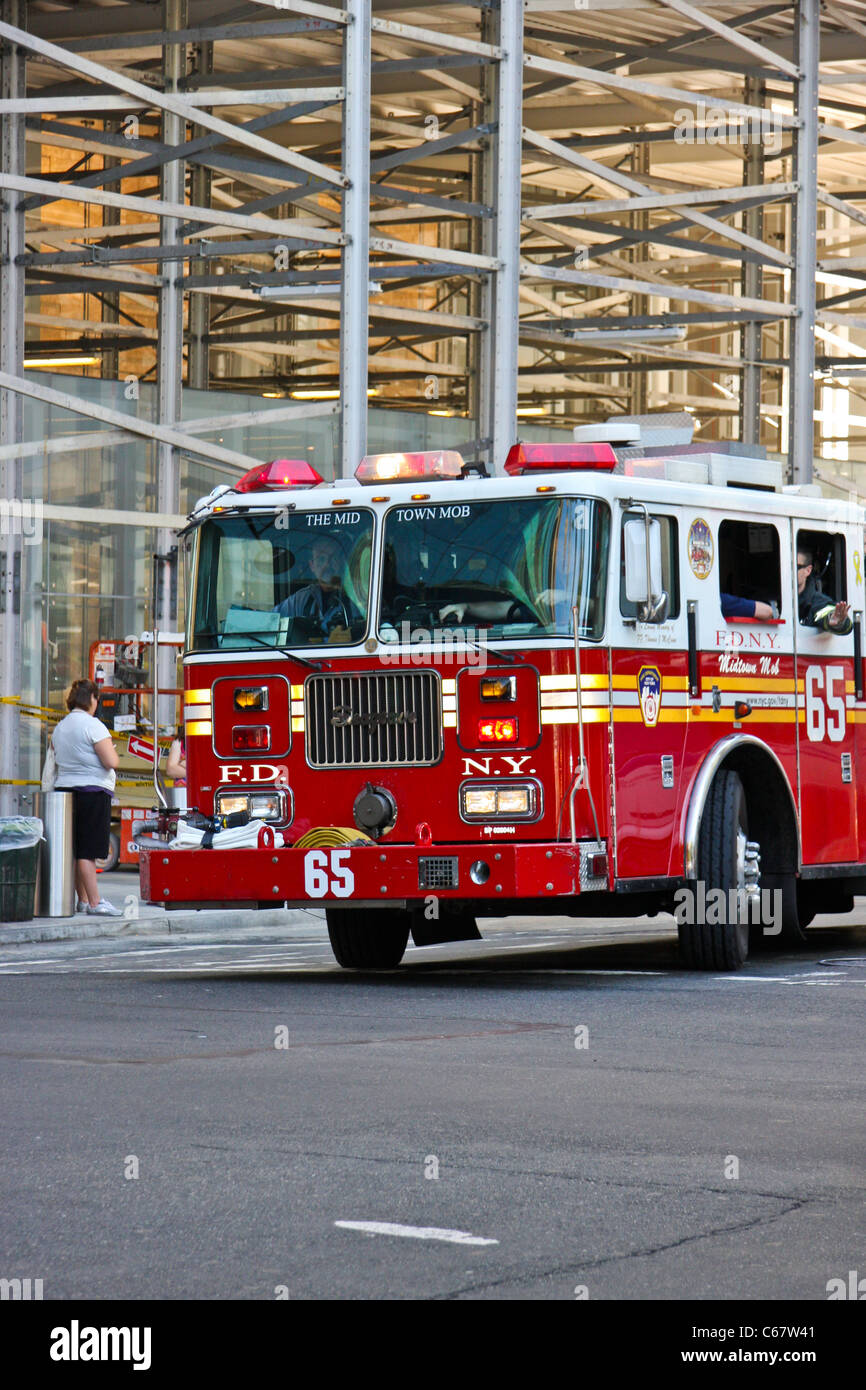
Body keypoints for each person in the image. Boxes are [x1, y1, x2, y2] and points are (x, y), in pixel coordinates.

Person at [51, 677, 120, 916]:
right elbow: (110, 761)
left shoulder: (60, 727)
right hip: (92, 792)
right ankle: (95, 902)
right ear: (91, 699)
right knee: (87, 851)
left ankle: (81, 900)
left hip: (64, 792)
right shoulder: (93, 726)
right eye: (96, 698)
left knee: (74, 849)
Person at [274, 535, 352, 638]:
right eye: (321, 559)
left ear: (342, 562)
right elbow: (271, 621)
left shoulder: (355, 597)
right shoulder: (302, 598)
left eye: (333, 558)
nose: (327, 565)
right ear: (311, 566)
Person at [797, 549, 852, 633]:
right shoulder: (773, 599)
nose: (788, 571)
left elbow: (824, 612)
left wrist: (836, 620)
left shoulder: (816, 602)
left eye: (796, 567)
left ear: (808, 570)